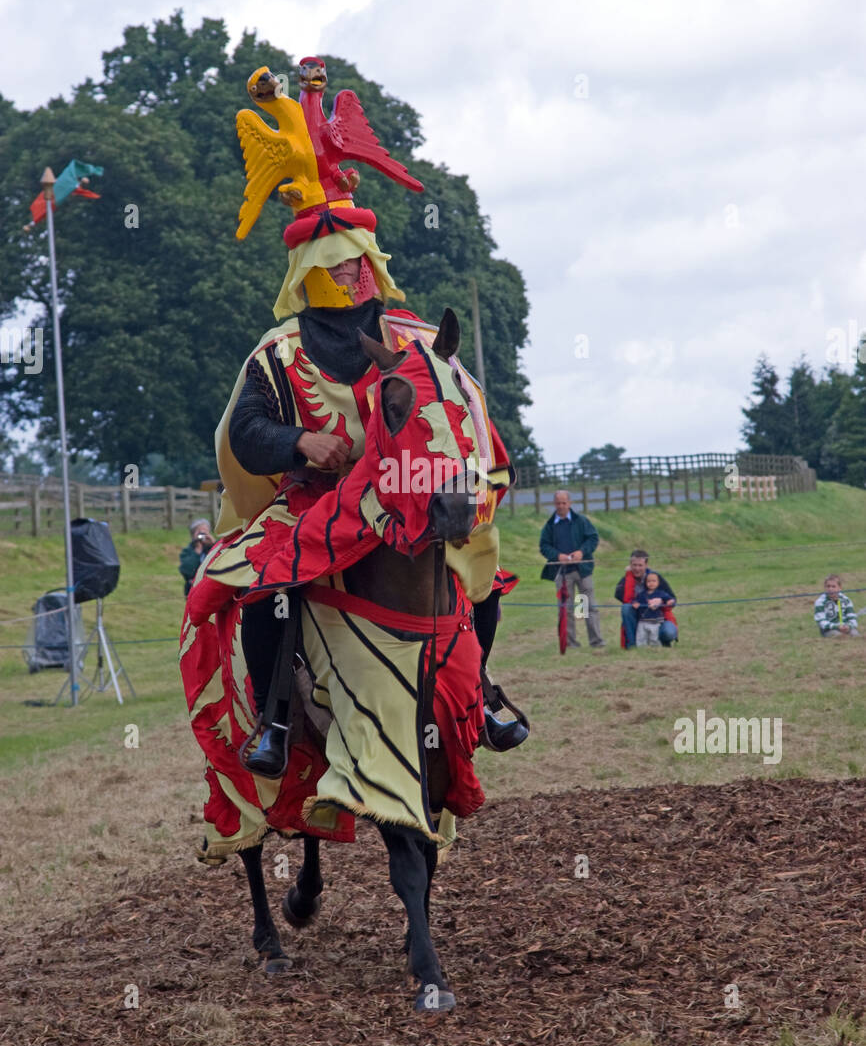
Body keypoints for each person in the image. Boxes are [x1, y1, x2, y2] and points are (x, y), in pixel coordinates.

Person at [193, 60, 527, 778]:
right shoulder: (276, 354)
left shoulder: (412, 339)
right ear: (313, 272)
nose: (360, 277)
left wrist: (471, 473)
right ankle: (277, 717)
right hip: (314, 501)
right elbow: (247, 436)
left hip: (406, 490)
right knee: (267, 584)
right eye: (344, 269)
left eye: (364, 263)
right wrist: (300, 440)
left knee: (480, 569)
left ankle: (484, 691)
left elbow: (464, 414)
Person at [539, 491, 604, 648]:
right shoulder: (549, 525)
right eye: (558, 503)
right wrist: (557, 555)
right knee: (566, 609)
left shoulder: (581, 521)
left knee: (587, 606)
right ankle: (570, 643)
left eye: (564, 503)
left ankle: (596, 641)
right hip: (562, 573)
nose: (561, 506)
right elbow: (544, 546)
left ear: (570, 503)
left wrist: (582, 552)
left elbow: (593, 538)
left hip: (582, 571)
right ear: (554, 504)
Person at [614, 549, 678, 648]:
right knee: (626, 608)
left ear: (646, 565)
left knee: (668, 633)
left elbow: (673, 599)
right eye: (634, 565)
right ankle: (632, 645)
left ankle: (664, 642)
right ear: (630, 565)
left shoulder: (655, 577)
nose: (637, 568)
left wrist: (661, 601)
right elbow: (618, 595)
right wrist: (635, 601)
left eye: (640, 565)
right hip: (639, 617)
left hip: (658, 617)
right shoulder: (626, 579)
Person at [634, 571, 677, 646]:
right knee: (641, 637)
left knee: (655, 638)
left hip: (656, 621)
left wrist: (670, 601)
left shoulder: (661, 593)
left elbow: (670, 599)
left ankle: (656, 650)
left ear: (658, 582)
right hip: (643, 621)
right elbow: (635, 601)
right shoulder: (642, 594)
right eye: (649, 581)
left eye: (654, 581)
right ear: (645, 583)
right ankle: (641, 650)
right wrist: (635, 604)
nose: (651, 583)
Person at [178, 518, 215, 597]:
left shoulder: (213, 548)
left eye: (205, 532)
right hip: (193, 589)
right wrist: (197, 551)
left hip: (210, 588)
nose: (202, 536)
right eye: (199, 532)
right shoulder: (188, 551)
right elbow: (187, 571)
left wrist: (214, 544)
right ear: (193, 535)